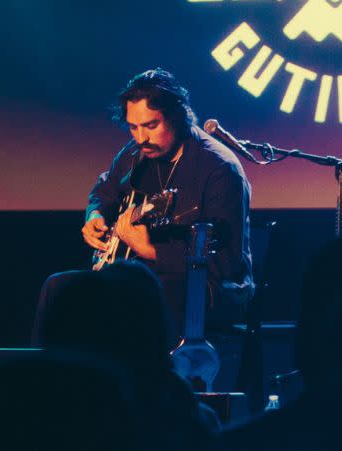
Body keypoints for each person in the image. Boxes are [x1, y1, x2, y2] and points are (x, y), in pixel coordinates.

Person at [36, 68, 253, 344]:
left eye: (151, 126)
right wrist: (95, 215)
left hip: (210, 288)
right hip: (142, 276)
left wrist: (150, 250)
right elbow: (104, 189)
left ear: (178, 116)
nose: (141, 138)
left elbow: (225, 262)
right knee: (58, 287)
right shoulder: (134, 154)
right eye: (133, 127)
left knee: (137, 295)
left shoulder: (219, 168)